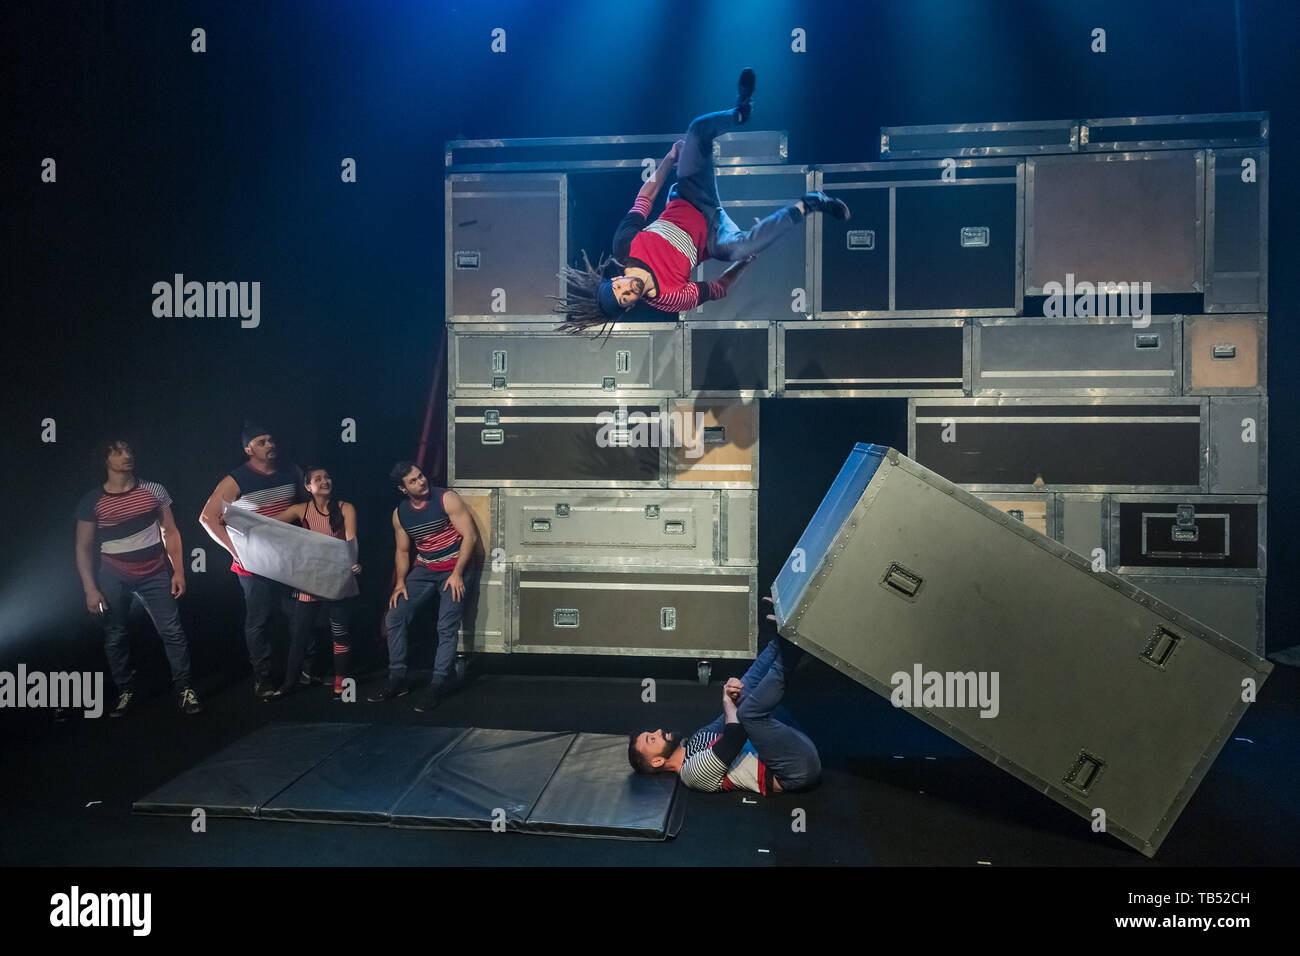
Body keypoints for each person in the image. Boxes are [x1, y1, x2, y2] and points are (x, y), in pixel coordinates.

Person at [551, 68, 849, 335]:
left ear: (615, 280)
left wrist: (669, 159)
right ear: (630, 306)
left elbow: (646, 198)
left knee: (696, 130)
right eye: (626, 297)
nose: (627, 288)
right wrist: (744, 263)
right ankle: (812, 203)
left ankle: (738, 113)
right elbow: (718, 288)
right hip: (713, 234)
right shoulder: (669, 298)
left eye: (619, 287)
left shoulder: (624, 247)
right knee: (743, 247)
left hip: (690, 196)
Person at [74, 439, 202, 716]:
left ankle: (184, 689)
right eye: (117, 452)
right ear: (105, 460)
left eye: (128, 450)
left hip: (154, 571)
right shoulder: (92, 500)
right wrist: (89, 588)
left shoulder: (153, 490)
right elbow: (83, 546)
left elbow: (170, 531)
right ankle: (126, 690)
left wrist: (178, 570)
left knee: (172, 631)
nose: (126, 455)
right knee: (116, 634)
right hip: (113, 574)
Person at [628, 610, 820, 794]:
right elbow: (734, 737)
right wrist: (727, 701)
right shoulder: (691, 774)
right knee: (748, 714)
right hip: (795, 771)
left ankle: (780, 637)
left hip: (794, 747)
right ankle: (793, 647)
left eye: (652, 732)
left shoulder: (697, 739)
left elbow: (733, 710)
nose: (658, 731)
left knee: (741, 690)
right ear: (657, 762)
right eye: (652, 739)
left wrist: (730, 692)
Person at [198, 424, 304, 698]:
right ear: (248, 449)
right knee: (260, 619)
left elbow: (307, 509)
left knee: (298, 615)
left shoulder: (291, 471)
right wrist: (238, 552)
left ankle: (302, 671)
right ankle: (263, 678)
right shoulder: (237, 479)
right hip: (253, 565)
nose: (270, 444)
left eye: (271, 439)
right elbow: (207, 518)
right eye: (261, 441)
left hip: (288, 560)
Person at [368, 462, 478, 712]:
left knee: (446, 624)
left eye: (421, 476)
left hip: (455, 568)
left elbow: (469, 536)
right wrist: (399, 583)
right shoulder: (400, 514)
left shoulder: (446, 499)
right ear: (403, 488)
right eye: (414, 481)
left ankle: (438, 683)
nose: (421, 481)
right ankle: (397, 678)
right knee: (395, 615)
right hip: (426, 569)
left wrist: (458, 573)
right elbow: (403, 550)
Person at [269, 466, 359, 701]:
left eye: (327, 476)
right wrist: (233, 520)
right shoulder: (301, 509)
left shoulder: (345, 508)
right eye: (318, 479)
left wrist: (353, 562)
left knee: (340, 633)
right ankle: (289, 684)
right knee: (300, 634)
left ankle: (341, 682)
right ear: (308, 487)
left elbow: (351, 539)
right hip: (311, 580)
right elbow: (268, 526)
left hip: (339, 579)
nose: (325, 480)